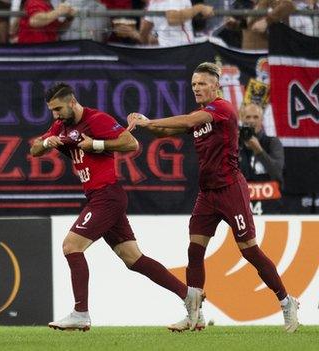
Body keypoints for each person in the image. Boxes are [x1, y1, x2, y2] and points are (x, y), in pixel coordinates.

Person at [127, 62, 300, 333]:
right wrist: (145, 123)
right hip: (207, 193)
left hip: (230, 189)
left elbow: (186, 121)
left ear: (216, 86)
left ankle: (287, 302)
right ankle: (194, 315)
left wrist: (148, 121)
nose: (196, 88)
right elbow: (166, 130)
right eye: (193, 84)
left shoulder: (221, 109)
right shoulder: (201, 115)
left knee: (250, 251)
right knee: (194, 250)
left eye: (202, 83)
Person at [30, 83, 204, 332]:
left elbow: (131, 143)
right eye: (52, 111)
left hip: (107, 196)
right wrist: (47, 143)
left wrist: (96, 145)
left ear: (71, 102)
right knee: (133, 258)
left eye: (58, 109)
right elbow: (35, 149)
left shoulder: (96, 119)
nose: (55, 115)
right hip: (99, 197)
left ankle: (80, 313)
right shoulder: (61, 126)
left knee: (71, 246)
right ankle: (188, 295)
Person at [238, 103, 284, 185]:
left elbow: (277, 173)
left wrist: (259, 151)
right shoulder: (235, 143)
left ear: (262, 120)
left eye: (256, 117)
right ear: (242, 119)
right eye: (248, 117)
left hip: (267, 194)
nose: (251, 121)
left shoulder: (273, 142)